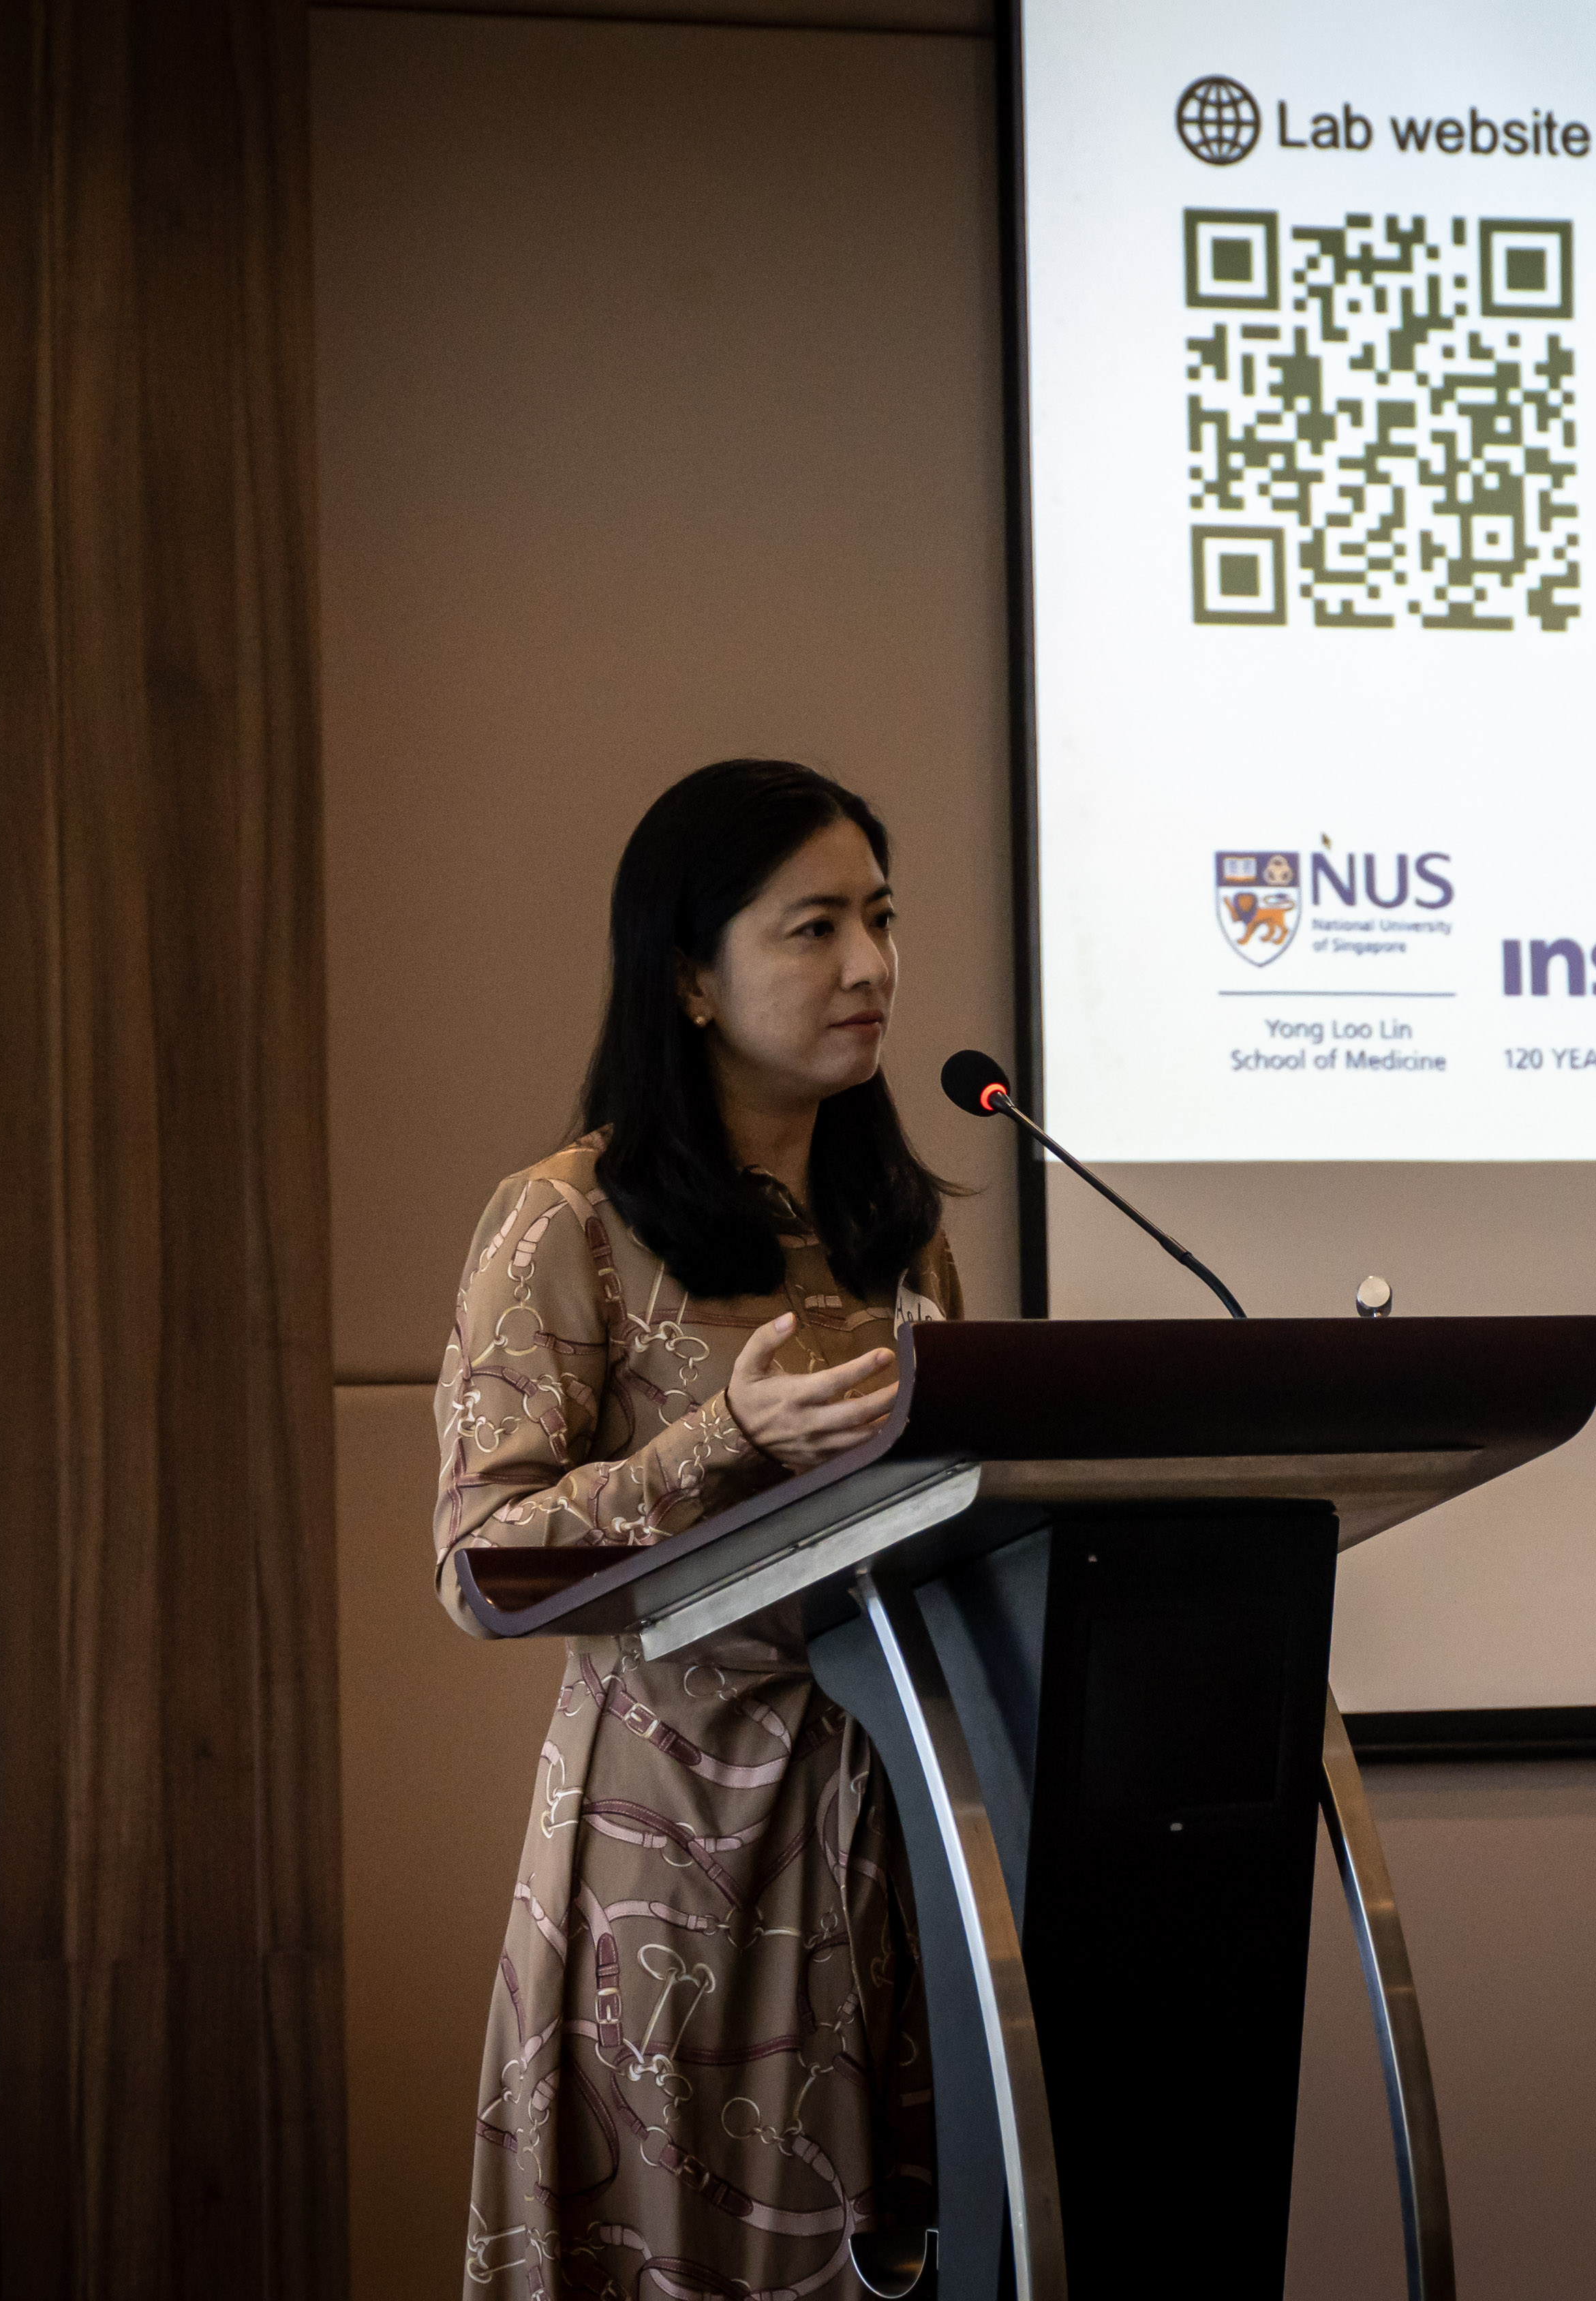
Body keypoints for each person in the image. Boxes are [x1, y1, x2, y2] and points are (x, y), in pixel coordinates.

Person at [446, 757, 965, 2298]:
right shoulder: (567, 1219)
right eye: (815, 928)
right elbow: (482, 1561)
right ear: (689, 978)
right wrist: (716, 1441)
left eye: (881, 918)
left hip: (889, 1845)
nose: (870, 965)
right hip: (670, 1871)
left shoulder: (896, 1233)